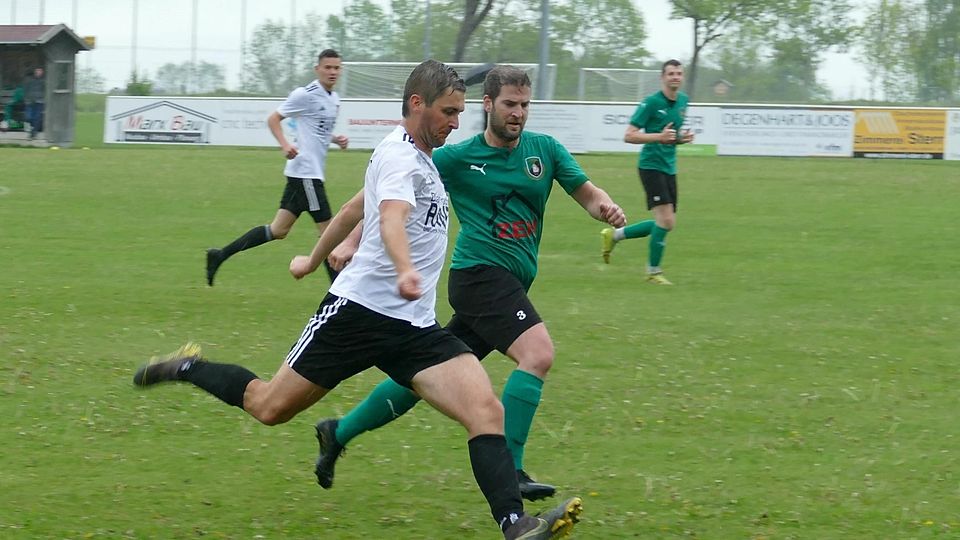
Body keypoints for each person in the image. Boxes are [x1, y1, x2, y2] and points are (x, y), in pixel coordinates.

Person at [134, 60, 582, 540]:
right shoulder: (399, 157)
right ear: (417, 104)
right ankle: (186, 367)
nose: (456, 122)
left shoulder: (424, 158)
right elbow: (389, 218)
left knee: (485, 411)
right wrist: (405, 267)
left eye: (460, 112)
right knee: (268, 407)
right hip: (357, 315)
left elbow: (352, 208)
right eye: (449, 112)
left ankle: (517, 526)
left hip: (413, 327)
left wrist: (313, 256)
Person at [313, 65, 627, 502]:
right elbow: (385, 196)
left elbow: (587, 193)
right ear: (488, 104)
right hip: (479, 277)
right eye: (509, 105)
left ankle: (337, 432)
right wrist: (349, 241)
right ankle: (512, 469)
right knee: (537, 354)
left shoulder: (545, 151)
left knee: (420, 378)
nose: (518, 114)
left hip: (509, 285)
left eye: (524, 105)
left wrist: (606, 207)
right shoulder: (456, 158)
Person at [205, 49, 349, 286]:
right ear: (317, 69)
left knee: (278, 230)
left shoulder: (334, 99)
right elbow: (273, 119)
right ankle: (341, 294)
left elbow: (317, 129)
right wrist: (284, 144)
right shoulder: (305, 94)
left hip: (302, 175)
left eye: (336, 67)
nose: (333, 72)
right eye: (328, 67)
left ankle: (219, 255)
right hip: (306, 174)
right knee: (329, 233)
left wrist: (335, 139)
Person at [601, 59, 694, 285]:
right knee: (665, 221)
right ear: (662, 77)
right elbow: (629, 135)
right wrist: (658, 137)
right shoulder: (651, 103)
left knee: (666, 223)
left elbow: (671, 137)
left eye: (679, 73)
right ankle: (653, 272)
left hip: (669, 168)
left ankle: (614, 235)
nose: (675, 77)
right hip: (651, 166)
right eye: (671, 73)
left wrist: (681, 139)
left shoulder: (683, 101)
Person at [24, 67, 44, 139]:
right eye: (37, 71)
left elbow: (46, 91)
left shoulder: (43, 81)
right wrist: (26, 99)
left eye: (40, 71)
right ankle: (31, 130)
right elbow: (26, 90)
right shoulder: (30, 80)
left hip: (39, 102)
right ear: (35, 72)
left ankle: (34, 133)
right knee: (28, 117)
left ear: (42, 72)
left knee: (37, 118)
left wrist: (43, 99)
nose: (38, 72)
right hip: (30, 102)